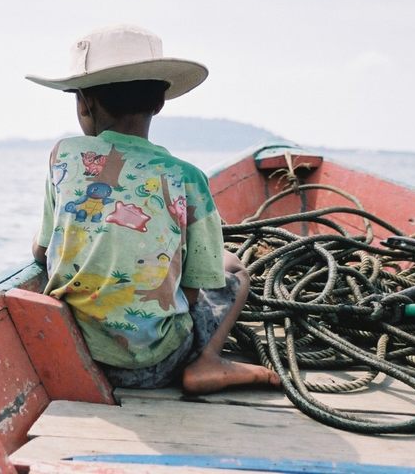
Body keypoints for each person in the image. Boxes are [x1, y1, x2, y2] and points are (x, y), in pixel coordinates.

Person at [27, 24, 279, 394]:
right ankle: (208, 362)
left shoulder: (62, 155)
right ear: (160, 101)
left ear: (83, 103)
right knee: (235, 270)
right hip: (156, 364)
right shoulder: (188, 178)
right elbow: (194, 292)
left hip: (72, 346)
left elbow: (41, 250)